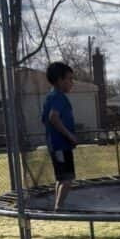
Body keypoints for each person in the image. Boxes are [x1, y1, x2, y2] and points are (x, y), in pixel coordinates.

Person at [41, 61, 78, 211]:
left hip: (56, 145)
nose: (72, 83)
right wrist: (70, 136)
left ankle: (58, 206)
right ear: (59, 80)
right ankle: (59, 208)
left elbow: (46, 120)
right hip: (60, 145)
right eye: (69, 79)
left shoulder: (50, 97)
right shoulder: (58, 97)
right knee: (67, 179)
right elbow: (53, 118)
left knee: (61, 178)